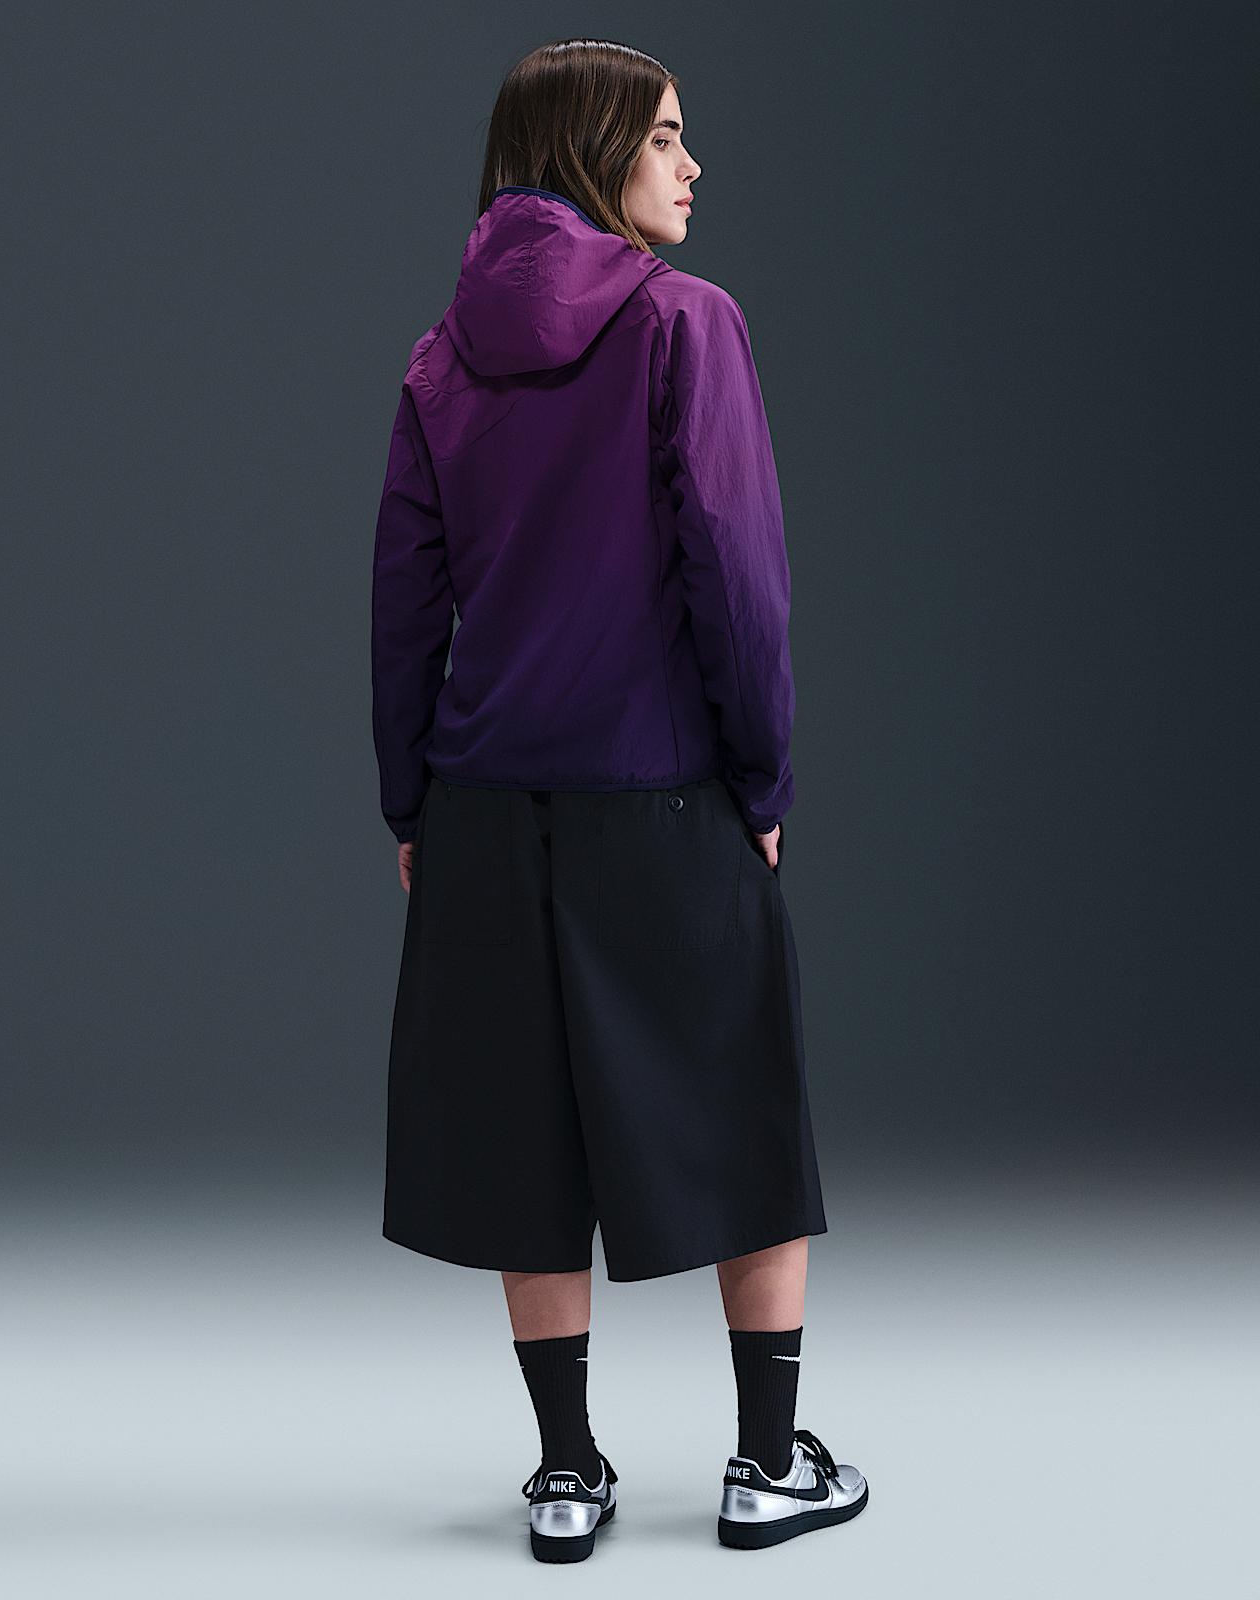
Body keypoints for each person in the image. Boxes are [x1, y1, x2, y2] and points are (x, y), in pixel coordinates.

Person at [370, 38, 867, 1562]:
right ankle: (767, 1464)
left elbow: (405, 599)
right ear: (593, 154)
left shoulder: (442, 355)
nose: (690, 163)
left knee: (520, 1139)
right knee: (737, 1117)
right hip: (660, 794)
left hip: (481, 801)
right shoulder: (683, 322)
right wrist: (761, 774)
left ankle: (567, 1475)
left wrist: (410, 805)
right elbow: (740, 573)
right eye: (662, 136)